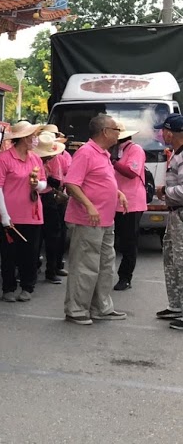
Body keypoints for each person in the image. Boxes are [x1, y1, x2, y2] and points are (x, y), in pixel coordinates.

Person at [63, 114, 129, 325]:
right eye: (116, 129)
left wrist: (118, 192)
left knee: (105, 265)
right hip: (88, 219)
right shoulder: (86, 152)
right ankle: (76, 309)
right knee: (85, 265)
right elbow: (72, 184)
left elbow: (102, 180)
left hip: (105, 219)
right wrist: (89, 205)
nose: (119, 133)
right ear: (105, 132)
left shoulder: (103, 154)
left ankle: (101, 306)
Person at [0, 121, 46, 302]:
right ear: (22, 138)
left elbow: (43, 183)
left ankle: (27, 286)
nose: (34, 139)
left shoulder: (35, 158)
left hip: (32, 213)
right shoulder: (3, 159)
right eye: (32, 136)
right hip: (10, 214)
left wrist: (36, 184)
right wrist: (4, 215)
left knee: (30, 253)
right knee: (9, 253)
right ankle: (8, 287)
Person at [155, 114, 183, 330]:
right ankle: (176, 305)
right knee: (171, 259)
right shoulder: (176, 153)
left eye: (163, 130)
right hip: (175, 214)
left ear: (171, 132)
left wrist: (164, 191)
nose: (160, 134)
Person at [112, 126, 146, 291]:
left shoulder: (135, 150)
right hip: (116, 201)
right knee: (115, 239)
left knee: (129, 241)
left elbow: (131, 172)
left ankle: (125, 277)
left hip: (132, 202)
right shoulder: (117, 150)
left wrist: (113, 162)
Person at [34, 132, 68, 285]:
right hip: (32, 198)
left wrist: (44, 176)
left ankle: (51, 270)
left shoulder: (55, 159)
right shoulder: (31, 158)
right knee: (35, 237)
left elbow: (58, 182)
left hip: (48, 198)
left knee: (52, 236)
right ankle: (33, 268)